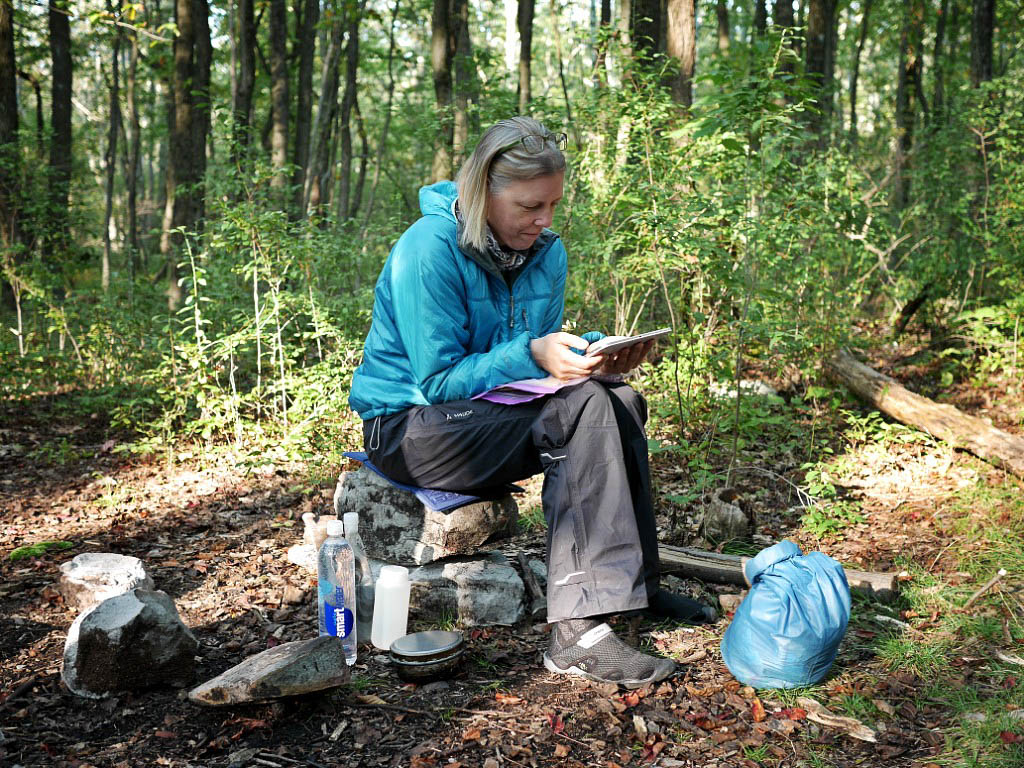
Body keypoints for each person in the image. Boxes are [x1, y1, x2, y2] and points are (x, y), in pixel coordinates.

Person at [349, 116, 714, 689]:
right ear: (482, 193)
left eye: (552, 205)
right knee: (585, 409)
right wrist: (536, 353)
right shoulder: (428, 249)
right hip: (408, 427)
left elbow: (532, 371)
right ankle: (575, 637)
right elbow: (442, 379)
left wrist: (587, 357)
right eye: (529, 206)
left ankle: (635, 584)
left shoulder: (547, 253)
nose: (544, 221)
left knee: (616, 399)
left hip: (480, 417)